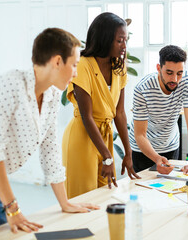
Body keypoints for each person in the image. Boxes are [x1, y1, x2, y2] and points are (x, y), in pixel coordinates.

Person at [0, 28, 100, 233]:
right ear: (57, 61)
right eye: (74, 65)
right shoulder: (7, 87)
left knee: (4, 236)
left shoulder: (52, 95)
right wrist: (13, 208)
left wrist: (65, 203)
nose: (76, 72)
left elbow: (50, 150)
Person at [62, 12, 140, 199]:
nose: (124, 46)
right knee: (82, 200)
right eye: (120, 40)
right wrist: (107, 157)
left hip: (104, 139)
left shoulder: (119, 68)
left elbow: (119, 114)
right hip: (82, 138)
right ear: (105, 39)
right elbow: (87, 116)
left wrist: (128, 153)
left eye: (126, 40)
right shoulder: (82, 65)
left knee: (104, 197)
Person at [128, 45, 188, 175]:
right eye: (169, 73)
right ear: (158, 68)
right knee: (144, 190)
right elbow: (140, 135)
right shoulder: (142, 89)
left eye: (179, 73)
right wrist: (156, 158)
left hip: (170, 145)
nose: (175, 79)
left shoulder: (187, 80)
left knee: (171, 188)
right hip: (143, 149)